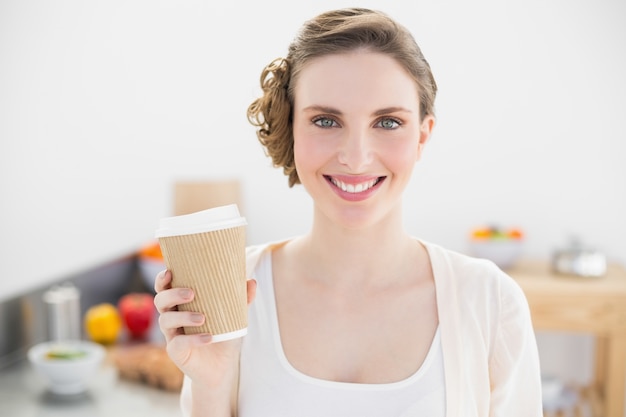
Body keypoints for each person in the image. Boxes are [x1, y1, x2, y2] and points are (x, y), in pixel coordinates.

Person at [154, 7, 543, 417]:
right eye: (325, 120)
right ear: (292, 126)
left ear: (422, 136)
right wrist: (211, 387)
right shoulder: (233, 292)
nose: (356, 158)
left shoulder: (489, 302)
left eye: (388, 122)